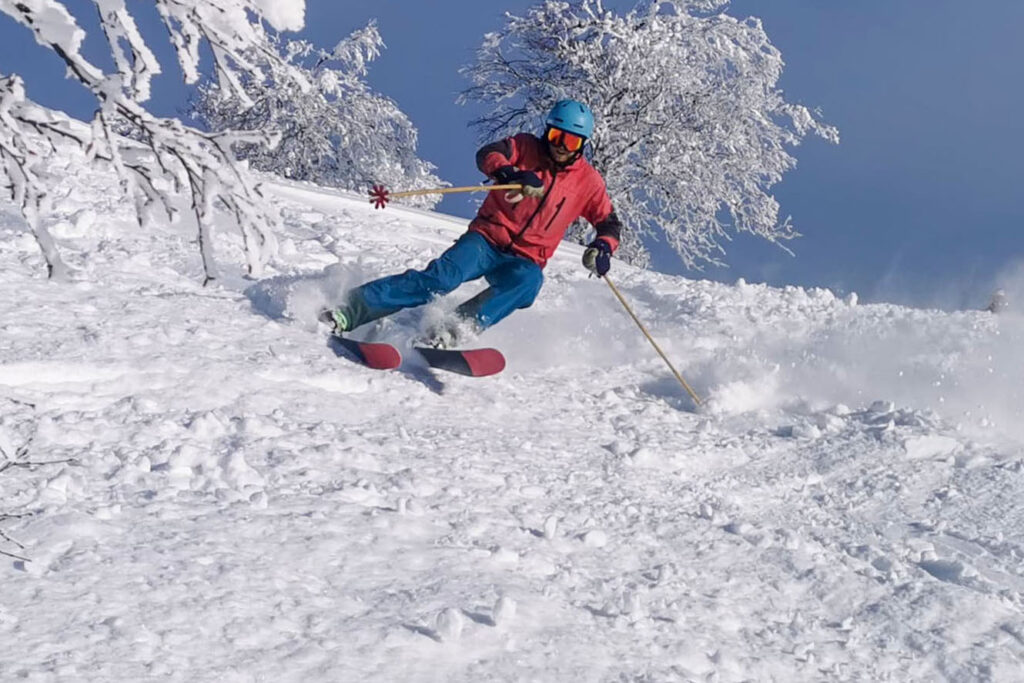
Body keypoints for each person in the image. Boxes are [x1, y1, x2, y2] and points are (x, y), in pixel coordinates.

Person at [321, 99, 623, 347]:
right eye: (556, 136)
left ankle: (449, 331)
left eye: (570, 140)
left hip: (525, 259)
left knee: (528, 283)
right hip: (486, 240)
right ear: (547, 132)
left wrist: (602, 247)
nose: (561, 146)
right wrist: (511, 174)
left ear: (582, 144)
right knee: (442, 279)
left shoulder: (588, 183)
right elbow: (489, 154)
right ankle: (349, 310)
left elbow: (609, 224)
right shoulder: (525, 146)